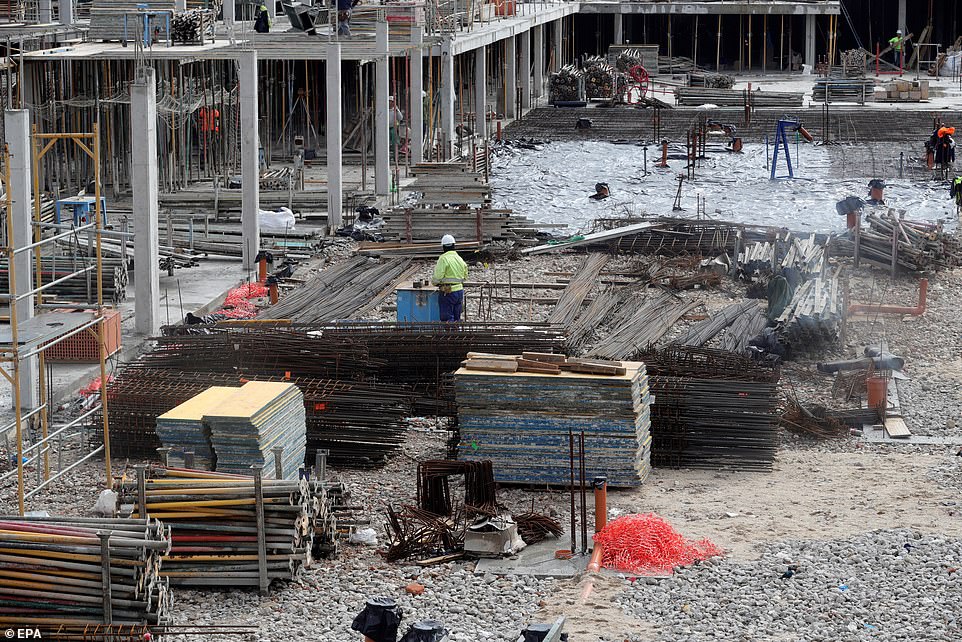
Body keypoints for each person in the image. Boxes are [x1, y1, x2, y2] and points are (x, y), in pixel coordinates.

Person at [432, 234, 468, 322]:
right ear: (454, 245)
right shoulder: (459, 259)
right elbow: (465, 276)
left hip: (448, 292)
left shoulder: (443, 259)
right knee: (457, 317)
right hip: (459, 291)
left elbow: (437, 277)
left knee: (447, 318)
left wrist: (434, 283)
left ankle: (450, 335)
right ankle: (457, 334)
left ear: (443, 247)